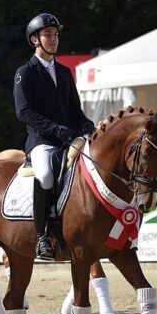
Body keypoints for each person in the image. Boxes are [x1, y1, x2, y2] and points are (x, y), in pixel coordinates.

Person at [13, 13, 94, 260]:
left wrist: (87, 124)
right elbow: (23, 111)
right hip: (41, 141)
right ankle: (41, 237)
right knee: (46, 174)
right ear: (35, 39)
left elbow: (74, 109)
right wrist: (55, 129)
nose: (54, 39)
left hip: (69, 138)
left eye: (56, 34)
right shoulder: (25, 72)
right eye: (48, 35)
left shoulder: (64, 71)